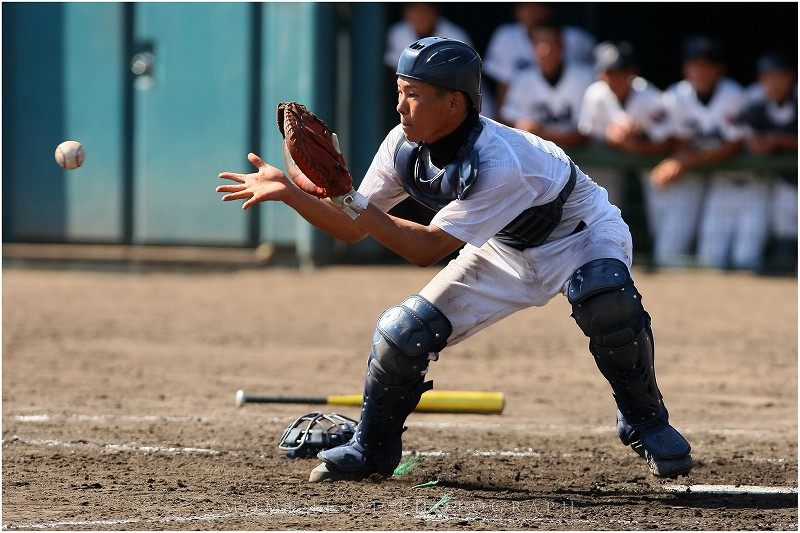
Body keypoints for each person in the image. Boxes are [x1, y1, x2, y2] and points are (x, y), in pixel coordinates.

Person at [216, 37, 693, 483]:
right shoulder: (402, 145)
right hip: (503, 246)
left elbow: (425, 249)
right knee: (401, 335)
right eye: (399, 91)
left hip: (580, 237)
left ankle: (644, 421)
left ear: (454, 101)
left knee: (604, 298)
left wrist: (348, 198)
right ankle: (372, 448)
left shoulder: (501, 162)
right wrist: (290, 194)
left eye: (414, 95)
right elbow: (352, 225)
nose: (400, 105)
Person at [650, 36, 749, 269]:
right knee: (690, 253)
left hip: (738, 178)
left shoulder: (733, 94)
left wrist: (687, 160)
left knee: (735, 256)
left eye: (708, 65)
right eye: (696, 65)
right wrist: (682, 159)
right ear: (686, 68)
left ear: (719, 69)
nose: (701, 71)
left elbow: (734, 145)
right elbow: (678, 138)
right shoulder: (678, 95)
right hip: (698, 175)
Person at [577, 41, 675, 216]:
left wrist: (636, 143)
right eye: (609, 73)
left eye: (620, 72)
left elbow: (669, 142)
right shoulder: (595, 94)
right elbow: (584, 137)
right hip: (608, 162)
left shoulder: (649, 97)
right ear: (601, 75)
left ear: (632, 72)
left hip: (649, 162)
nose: (614, 79)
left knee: (660, 216)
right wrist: (611, 139)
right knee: (601, 213)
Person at [739, 51, 798, 275]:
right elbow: (741, 134)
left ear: (791, 76)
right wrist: (754, 143)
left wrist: (779, 140)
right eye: (768, 77)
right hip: (769, 177)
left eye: (779, 76)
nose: (773, 83)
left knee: (787, 215)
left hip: (793, 176)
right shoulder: (754, 98)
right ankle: (781, 267)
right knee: (778, 217)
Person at [484, 2, 596, 113]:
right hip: (528, 109)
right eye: (526, 7)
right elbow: (503, 90)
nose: (532, 13)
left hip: (572, 108)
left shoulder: (578, 40)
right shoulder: (506, 37)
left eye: (537, 7)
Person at [499, 18, 595, 147]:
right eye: (539, 44)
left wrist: (540, 134)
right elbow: (506, 119)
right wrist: (520, 126)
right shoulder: (522, 79)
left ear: (562, 47)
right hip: (536, 156)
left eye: (550, 44)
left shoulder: (585, 77)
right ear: (532, 48)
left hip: (581, 159)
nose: (545, 51)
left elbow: (583, 136)